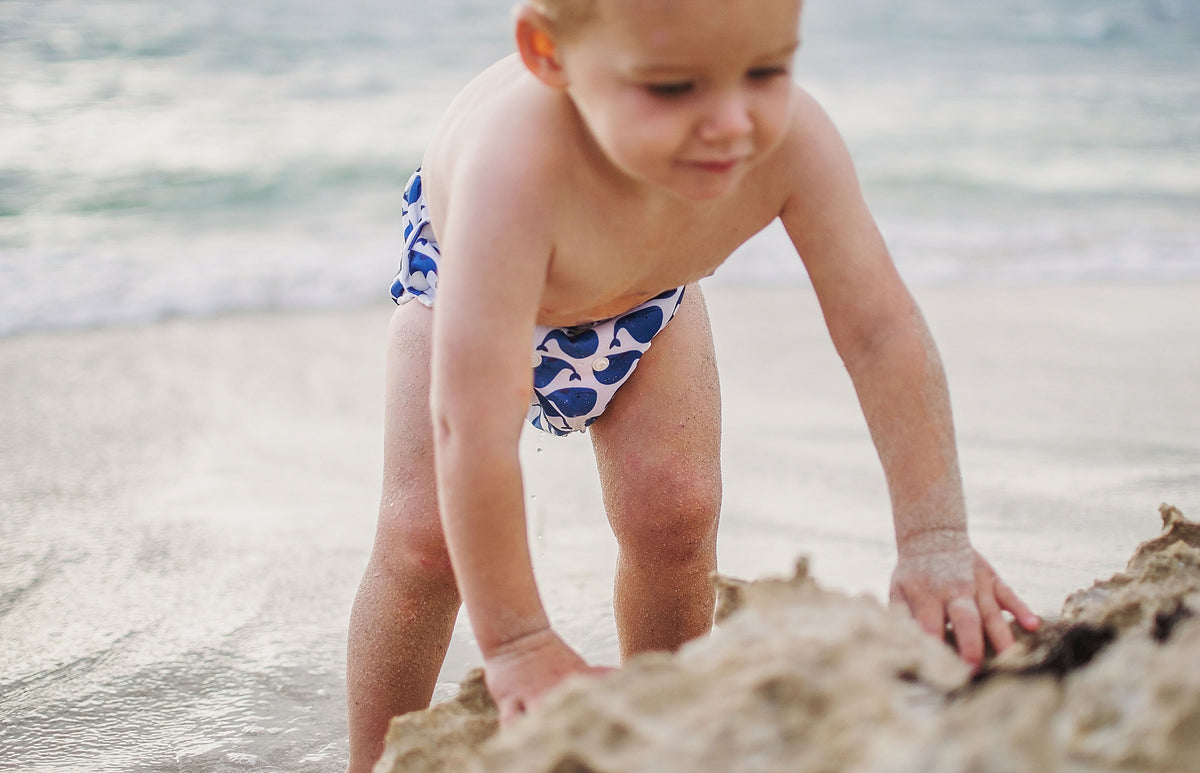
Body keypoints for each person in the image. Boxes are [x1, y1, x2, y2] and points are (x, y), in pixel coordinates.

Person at [345, 0, 1041, 769]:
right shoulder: (516, 167)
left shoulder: (790, 143)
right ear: (551, 56)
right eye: (673, 87)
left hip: (647, 293)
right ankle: (374, 759)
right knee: (424, 541)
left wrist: (935, 540)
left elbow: (881, 333)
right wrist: (518, 641)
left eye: (766, 70)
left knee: (675, 511)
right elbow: (469, 423)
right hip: (469, 279)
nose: (731, 124)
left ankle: (660, 739)